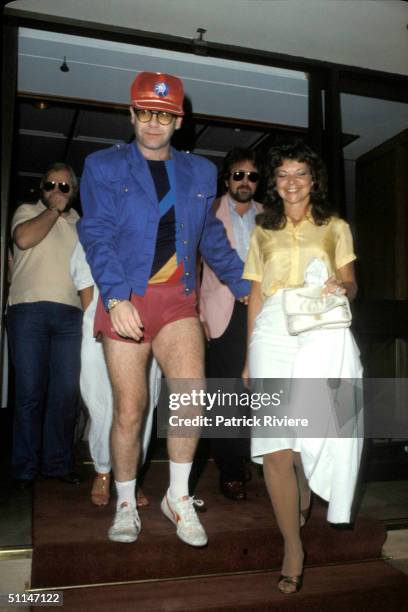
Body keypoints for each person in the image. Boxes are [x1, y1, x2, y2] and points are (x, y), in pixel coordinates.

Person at [78, 71, 249, 545]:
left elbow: (209, 235)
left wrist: (242, 284)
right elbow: (96, 234)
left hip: (177, 299)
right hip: (127, 296)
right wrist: (114, 298)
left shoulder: (199, 172)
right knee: (130, 410)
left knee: (191, 396)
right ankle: (127, 503)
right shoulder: (103, 166)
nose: (154, 123)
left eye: (165, 115)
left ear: (179, 121)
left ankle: (178, 498)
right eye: (146, 113)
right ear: (132, 114)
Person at [242, 141, 363, 594]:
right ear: (273, 183)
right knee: (275, 442)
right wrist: (249, 356)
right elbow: (255, 295)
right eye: (283, 175)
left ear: (314, 180)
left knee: (306, 430)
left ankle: (307, 486)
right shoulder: (261, 230)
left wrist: (340, 288)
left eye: (300, 174)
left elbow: (351, 285)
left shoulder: (335, 227)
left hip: (319, 325)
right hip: (272, 329)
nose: (291, 182)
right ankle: (293, 546)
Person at [7, 163, 82, 487]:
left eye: (65, 187)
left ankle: (57, 464)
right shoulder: (27, 211)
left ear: (74, 192)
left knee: (65, 394)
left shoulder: (80, 223)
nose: (57, 190)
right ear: (42, 187)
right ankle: (24, 468)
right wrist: (53, 210)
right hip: (29, 310)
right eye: (51, 184)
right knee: (29, 393)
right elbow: (23, 240)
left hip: (71, 315)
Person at [70, 242, 162, 507]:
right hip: (102, 319)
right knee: (101, 401)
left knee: (142, 404)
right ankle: (103, 469)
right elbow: (85, 280)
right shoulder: (99, 221)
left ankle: (131, 476)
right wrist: (96, 322)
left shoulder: (155, 223)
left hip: (147, 321)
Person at [200, 148, 262, 500]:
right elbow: (193, 264)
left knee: (257, 389)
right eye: (238, 175)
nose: (245, 181)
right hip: (221, 312)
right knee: (225, 392)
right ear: (227, 180)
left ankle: (250, 456)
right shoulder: (209, 211)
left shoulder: (269, 217)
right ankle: (230, 468)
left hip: (261, 311)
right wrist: (198, 314)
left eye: (252, 176)